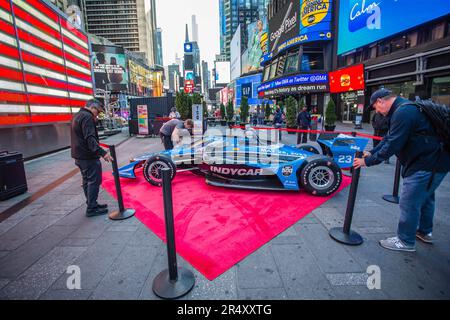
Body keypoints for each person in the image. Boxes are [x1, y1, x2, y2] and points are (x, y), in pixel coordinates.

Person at [353, 88, 450, 252]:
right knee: (426, 198)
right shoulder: (404, 109)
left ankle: (405, 240)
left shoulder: (403, 112)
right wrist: (372, 152)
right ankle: (424, 231)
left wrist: (367, 161)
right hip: (433, 162)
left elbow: (393, 144)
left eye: (376, 107)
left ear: (381, 101)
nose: (376, 111)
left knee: (409, 201)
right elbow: (389, 138)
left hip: (427, 164)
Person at [71, 99, 113, 217]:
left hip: (79, 155)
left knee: (87, 180)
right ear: (93, 107)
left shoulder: (77, 115)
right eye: (98, 111)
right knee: (94, 181)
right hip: (87, 156)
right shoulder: (87, 117)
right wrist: (103, 153)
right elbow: (90, 138)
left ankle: (92, 203)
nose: (98, 115)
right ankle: (91, 208)